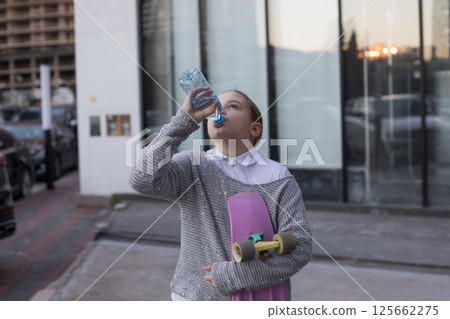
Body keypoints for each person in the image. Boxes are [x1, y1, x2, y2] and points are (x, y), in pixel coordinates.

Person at [129, 89, 312, 301]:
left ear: (255, 129)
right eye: (216, 105)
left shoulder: (277, 176)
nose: (220, 110)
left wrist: (233, 275)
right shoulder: (191, 165)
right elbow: (141, 180)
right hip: (191, 299)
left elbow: (300, 246)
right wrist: (184, 121)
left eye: (233, 106)